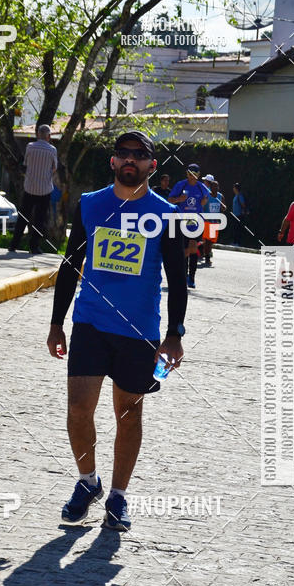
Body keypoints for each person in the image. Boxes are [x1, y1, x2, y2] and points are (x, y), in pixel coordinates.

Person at [47, 131, 187, 532]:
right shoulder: (90, 204)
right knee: (78, 409)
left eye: (139, 155)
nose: (130, 159)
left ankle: (118, 496)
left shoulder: (166, 215)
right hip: (90, 323)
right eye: (123, 153)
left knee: (128, 415)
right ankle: (87, 481)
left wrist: (174, 334)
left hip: (139, 331)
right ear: (112, 161)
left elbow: (178, 280)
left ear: (152, 166)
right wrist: (56, 323)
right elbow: (71, 266)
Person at [9, 124, 57, 255]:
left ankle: (14, 244)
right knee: (40, 219)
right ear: (48, 136)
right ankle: (34, 246)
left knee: (23, 217)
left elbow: (26, 163)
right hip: (45, 189)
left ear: (38, 135)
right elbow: (54, 168)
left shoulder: (30, 147)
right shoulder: (52, 150)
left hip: (29, 187)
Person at [168, 163, 209, 289]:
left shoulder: (202, 187)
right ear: (187, 173)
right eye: (190, 173)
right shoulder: (181, 185)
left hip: (196, 222)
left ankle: (191, 277)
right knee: (184, 249)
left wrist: (204, 201)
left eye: (195, 174)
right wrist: (179, 199)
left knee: (193, 249)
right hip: (182, 221)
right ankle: (184, 275)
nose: (192, 176)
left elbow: (205, 200)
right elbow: (169, 200)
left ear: (198, 175)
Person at [201, 174, 226, 267]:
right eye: (214, 186)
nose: (215, 188)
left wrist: (223, 207)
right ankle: (207, 256)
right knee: (207, 240)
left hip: (215, 222)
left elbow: (224, 207)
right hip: (207, 221)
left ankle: (205, 252)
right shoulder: (207, 196)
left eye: (217, 186)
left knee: (211, 241)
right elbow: (202, 206)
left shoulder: (220, 196)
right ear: (210, 187)